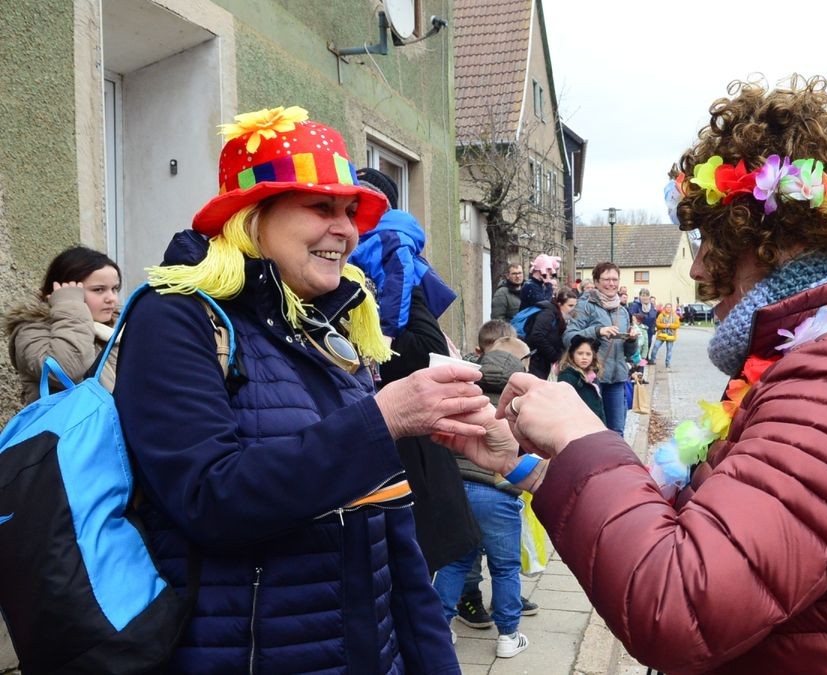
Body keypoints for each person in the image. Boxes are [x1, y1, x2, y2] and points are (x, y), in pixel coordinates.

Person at [439, 75, 827, 673]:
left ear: (781, 238)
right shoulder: (817, 360)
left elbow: (681, 602)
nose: (699, 268)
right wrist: (532, 465)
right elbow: (722, 540)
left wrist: (582, 440)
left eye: (712, 238)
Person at [112, 105, 489, 673]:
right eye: (320, 207)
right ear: (251, 216)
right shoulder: (175, 319)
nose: (346, 230)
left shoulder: (330, 329)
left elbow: (394, 543)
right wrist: (380, 421)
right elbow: (208, 499)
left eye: (350, 212)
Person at [350, 167, 482, 575]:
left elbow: (426, 348)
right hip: (381, 460)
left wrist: (372, 344)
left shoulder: (398, 266)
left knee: (416, 574)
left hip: (409, 453)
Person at [433, 325, 531, 659]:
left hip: (458, 490)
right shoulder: (521, 402)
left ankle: (440, 628)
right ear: (522, 365)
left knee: (455, 561)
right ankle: (508, 635)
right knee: (505, 568)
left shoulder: (464, 390)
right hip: (498, 492)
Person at [6, 246, 121, 403]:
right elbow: (66, 370)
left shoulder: (113, 330)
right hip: (69, 426)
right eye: (99, 290)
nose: (111, 298)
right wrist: (71, 307)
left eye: (114, 289)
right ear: (65, 290)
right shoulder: (33, 330)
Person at [565, 262, 639, 434]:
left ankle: (617, 462)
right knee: (592, 431)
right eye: (606, 279)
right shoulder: (585, 306)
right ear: (596, 282)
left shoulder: (623, 311)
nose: (612, 284)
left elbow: (629, 353)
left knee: (617, 431)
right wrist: (598, 331)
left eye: (615, 279)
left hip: (617, 378)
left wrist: (631, 340)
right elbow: (569, 338)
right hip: (592, 378)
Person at [526, 288, 577, 379]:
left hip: (542, 360)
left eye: (575, 306)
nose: (573, 309)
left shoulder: (560, 317)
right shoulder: (548, 314)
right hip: (535, 360)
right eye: (570, 305)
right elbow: (537, 335)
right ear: (560, 304)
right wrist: (554, 356)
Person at [556, 335, 605, 422]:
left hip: (594, 425)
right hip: (577, 425)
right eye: (580, 353)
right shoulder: (567, 376)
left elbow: (599, 407)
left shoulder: (593, 377)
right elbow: (565, 405)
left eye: (588, 354)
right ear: (572, 355)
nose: (584, 357)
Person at [650, 302, 680, 370]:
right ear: (665, 308)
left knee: (669, 350)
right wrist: (665, 325)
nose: (668, 309)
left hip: (670, 335)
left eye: (670, 307)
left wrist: (670, 325)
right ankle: (652, 360)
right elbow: (657, 324)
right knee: (655, 347)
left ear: (671, 308)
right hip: (661, 335)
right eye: (667, 307)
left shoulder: (675, 316)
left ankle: (667, 363)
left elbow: (677, 325)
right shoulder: (661, 315)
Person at [630, 289, 658, 356]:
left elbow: (654, 316)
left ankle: (644, 361)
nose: (645, 297)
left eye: (646, 296)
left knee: (647, 346)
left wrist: (654, 328)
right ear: (640, 296)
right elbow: (633, 315)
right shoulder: (636, 305)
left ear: (649, 297)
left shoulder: (651, 306)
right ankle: (637, 363)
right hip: (639, 330)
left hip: (649, 330)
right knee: (638, 347)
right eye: (643, 295)